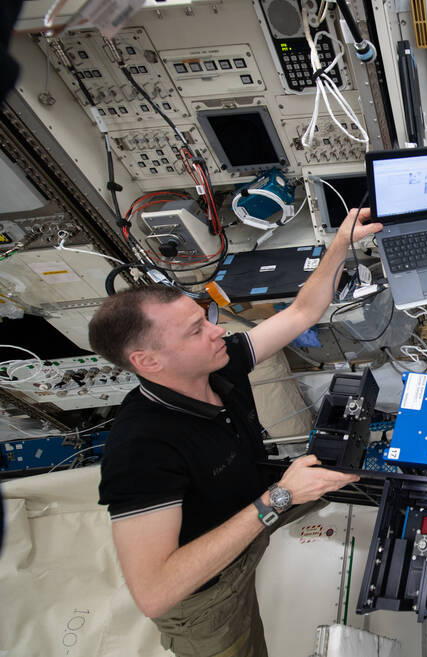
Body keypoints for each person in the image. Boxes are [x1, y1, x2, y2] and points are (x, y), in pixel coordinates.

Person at [91, 207, 382, 657]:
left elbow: (303, 311)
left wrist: (339, 245)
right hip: (207, 589)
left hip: (254, 500)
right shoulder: (139, 449)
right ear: (148, 362)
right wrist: (279, 498)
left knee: (366, 472)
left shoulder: (220, 361)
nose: (216, 331)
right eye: (196, 330)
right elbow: (155, 592)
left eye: (206, 318)